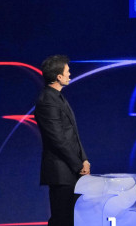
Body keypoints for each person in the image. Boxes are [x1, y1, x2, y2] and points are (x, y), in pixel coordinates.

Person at [35, 55, 90, 226]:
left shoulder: (58, 97)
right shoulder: (47, 100)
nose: (69, 74)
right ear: (58, 76)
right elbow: (57, 139)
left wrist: (84, 159)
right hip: (61, 171)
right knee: (62, 219)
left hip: (71, 170)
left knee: (73, 218)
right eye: (67, 71)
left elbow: (73, 134)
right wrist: (78, 165)